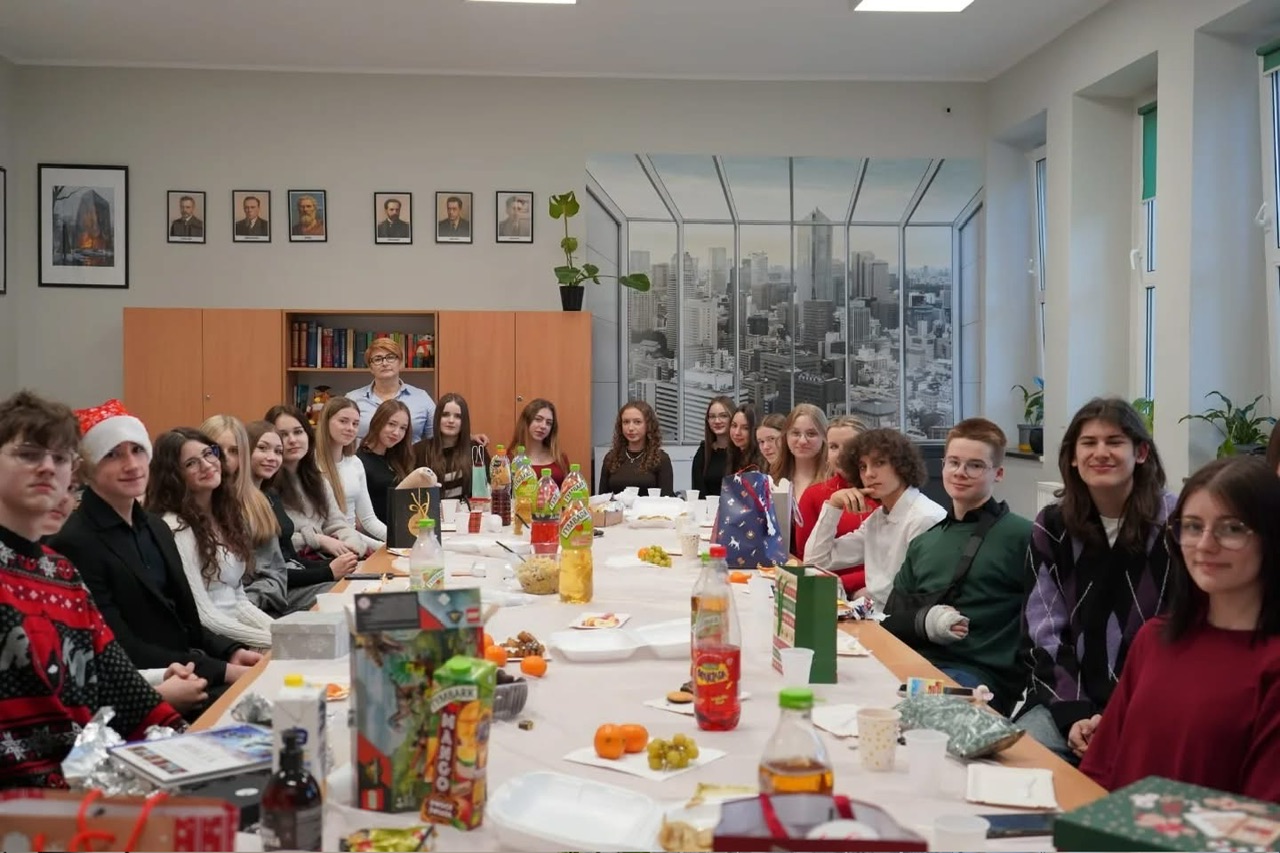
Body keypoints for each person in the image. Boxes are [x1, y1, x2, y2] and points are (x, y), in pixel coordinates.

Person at [0, 390, 183, 788]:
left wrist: (188, 742)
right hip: (26, 796)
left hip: (82, 776)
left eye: (60, 458)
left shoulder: (62, 572)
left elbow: (119, 680)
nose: (47, 467)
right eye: (28, 455)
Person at [1078, 457, 1280, 802]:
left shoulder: (1271, 663)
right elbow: (1100, 769)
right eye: (1193, 526)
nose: (1205, 545)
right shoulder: (1154, 639)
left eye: (1232, 528)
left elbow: (1263, 816)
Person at [51, 401, 260, 719]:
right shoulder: (77, 541)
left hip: (189, 670)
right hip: (145, 689)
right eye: (112, 454)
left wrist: (231, 650)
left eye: (137, 450)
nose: (132, 465)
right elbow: (120, 645)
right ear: (87, 468)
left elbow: (186, 621)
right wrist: (221, 670)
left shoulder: (155, 527)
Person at [1018, 398, 1177, 762]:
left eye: (1114, 441)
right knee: (1016, 766)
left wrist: (1119, 714)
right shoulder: (1052, 525)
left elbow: (1180, 635)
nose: (1100, 452)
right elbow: (1043, 631)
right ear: (1073, 457)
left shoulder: (1176, 523)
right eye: (1088, 443)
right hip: (1067, 701)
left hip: (1150, 705)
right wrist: (1074, 712)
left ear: (1141, 452)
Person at [882, 418, 1033, 715]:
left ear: (998, 473)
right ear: (943, 466)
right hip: (916, 666)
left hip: (979, 677)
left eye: (975, 465)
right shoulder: (925, 541)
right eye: (953, 462)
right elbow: (892, 618)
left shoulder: (1024, 537)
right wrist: (927, 621)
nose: (960, 472)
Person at [39, 476, 209, 717]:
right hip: (106, 721)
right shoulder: (72, 544)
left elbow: (100, 660)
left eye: (70, 486)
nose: (64, 497)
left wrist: (160, 678)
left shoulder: (50, 563)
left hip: (147, 688)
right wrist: (154, 697)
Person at [146, 428, 275, 649]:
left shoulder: (225, 513)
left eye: (208, 453)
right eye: (191, 463)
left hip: (238, 634)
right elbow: (204, 616)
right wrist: (274, 641)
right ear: (174, 476)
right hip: (214, 646)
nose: (207, 465)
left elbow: (239, 601)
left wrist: (283, 633)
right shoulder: (176, 526)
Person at [805, 428, 944, 603]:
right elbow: (815, 561)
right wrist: (833, 506)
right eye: (863, 467)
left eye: (879, 463)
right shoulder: (878, 518)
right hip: (876, 614)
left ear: (902, 465)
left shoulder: (925, 518)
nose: (869, 474)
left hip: (901, 618)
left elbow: (924, 598)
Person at [247, 420, 357, 591]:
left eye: (278, 451)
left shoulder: (270, 495)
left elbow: (291, 559)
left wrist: (342, 563)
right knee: (349, 595)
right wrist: (328, 572)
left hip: (295, 576)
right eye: (262, 448)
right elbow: (268, 573)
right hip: (274, 591)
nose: (271, 457)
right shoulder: (245, 501)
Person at [264, 405, 366, 557]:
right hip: (293, 564)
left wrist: (351, 547)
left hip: (330, 559)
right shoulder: (265, 485)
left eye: (298, 432)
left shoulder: (318, 480)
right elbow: (271, 541)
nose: (292, 440)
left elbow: (338, 523)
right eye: (283, 435)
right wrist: (318, 540)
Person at [794, 416, 871, 560]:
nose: (841, 454)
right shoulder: (813, 495)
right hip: (827, 574)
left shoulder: (883, 492)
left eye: (850, 446)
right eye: (833, 447)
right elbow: (804, 559)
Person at [316, 397, 386, 553]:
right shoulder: (311, 464)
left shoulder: (355, 463)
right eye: (343, 421)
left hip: (355, 544)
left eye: (355, 424)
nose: (350, 428)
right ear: (326, 422)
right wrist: (382, 547)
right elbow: (326, 528)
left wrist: (399, 541)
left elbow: (368, 519)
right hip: (328, 549)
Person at [347, 337, 437, 443]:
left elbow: (435, 441)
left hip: (411, 454)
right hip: (364, 454)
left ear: (400, 363)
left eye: (390, 357)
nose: (385, 363)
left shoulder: (422, 398)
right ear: (370, 368)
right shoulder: (353, 399)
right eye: (377, 359)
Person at [415, 393, 489, 501]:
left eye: (458, 416)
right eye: (445, 415)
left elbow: (490, 489)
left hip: (469, 511)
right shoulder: (419, 451)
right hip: (430, 511)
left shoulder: (476, 450)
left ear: (464, 421)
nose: (451, 420)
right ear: (437, 418)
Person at [358, 400, 416, 525]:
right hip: (374, 533)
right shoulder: (359, 461)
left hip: (402, 528)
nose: (396, 432)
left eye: (403, 428)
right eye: (391, 424)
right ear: (378, 422)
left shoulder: (398, 459)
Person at [598, 401, 673, 496]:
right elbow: (602, 498)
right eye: (626, 422)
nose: (630, 428)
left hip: (650, 506)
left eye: (637, 422)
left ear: (648, 425)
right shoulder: (611, 457)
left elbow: (667, 499)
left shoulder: (661, 459)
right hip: (618, 506)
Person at [771, 404, 829, 511]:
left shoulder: (833, 483)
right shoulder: (772, 481)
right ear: (786, 437)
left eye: (811, 434)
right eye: (796, 433)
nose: (802, 441)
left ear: (824, 437)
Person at [511, 398, 569, 486]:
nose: (543, 426)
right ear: (526, 421)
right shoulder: (509, 458)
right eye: (538, 419)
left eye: (548, 423)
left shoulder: (560, 458)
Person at [691, 396, 734, 497]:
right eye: (712, 417)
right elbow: (698, 492)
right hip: (707, 506)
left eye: (723, 416)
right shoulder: (703, 451)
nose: (717, 421)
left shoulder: (742, 451)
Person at [725, 404, 767, 475]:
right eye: (734, 425)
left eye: (745, 428)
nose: (737, 432)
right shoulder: (733, 455)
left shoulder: (764, 460)